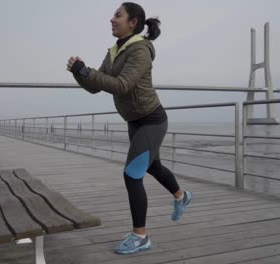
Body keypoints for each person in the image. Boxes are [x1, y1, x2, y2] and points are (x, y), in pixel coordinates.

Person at [67, 2, 192, 255]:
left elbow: (122, 85)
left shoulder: (140, 50)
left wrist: (86, 71)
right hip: (134, 120)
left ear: (132, 22)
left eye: (118, 15)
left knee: (132, 174)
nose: (112, 19)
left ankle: (141, 236)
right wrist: (79, 73)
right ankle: (181, 196)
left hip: (152, 120)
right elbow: (95, 86)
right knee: (152, 166)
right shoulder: (114, 50)